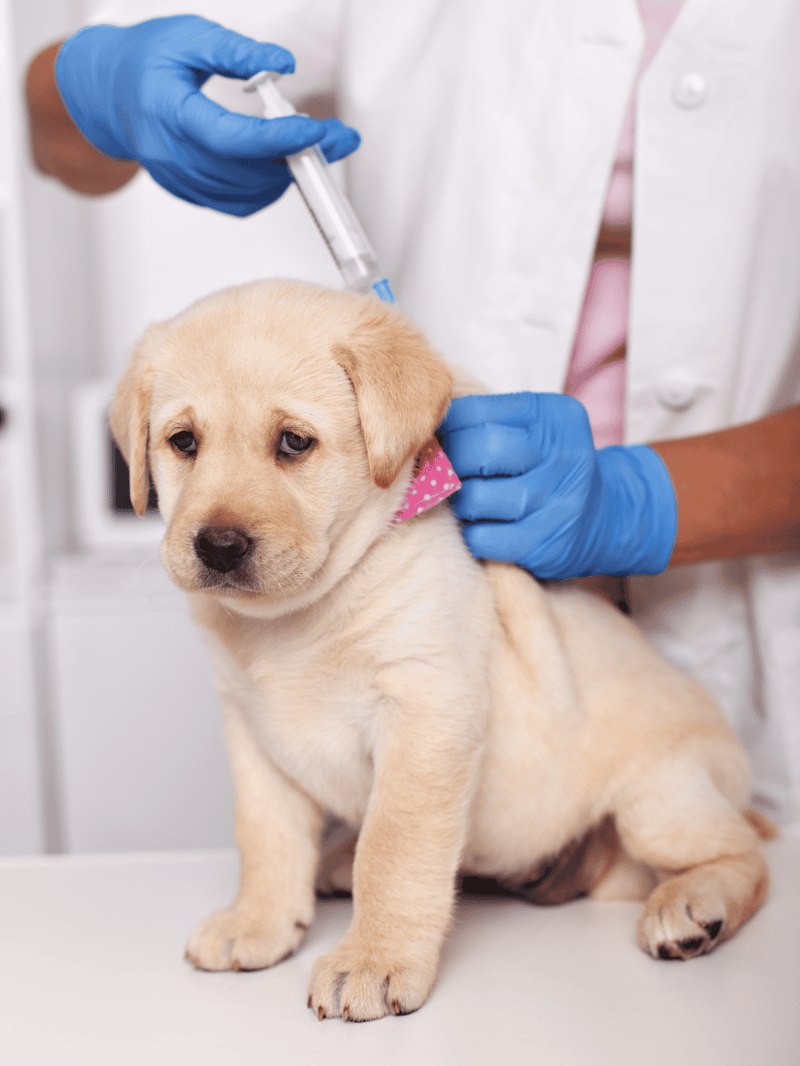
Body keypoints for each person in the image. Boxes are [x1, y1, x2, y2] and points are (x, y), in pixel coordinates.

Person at [25, 1, 800, 822]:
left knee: (699, 837)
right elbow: (50, 130)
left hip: (749, 619)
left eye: (290, 440)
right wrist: (102, 88)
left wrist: (644, 500)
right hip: (415, 585)